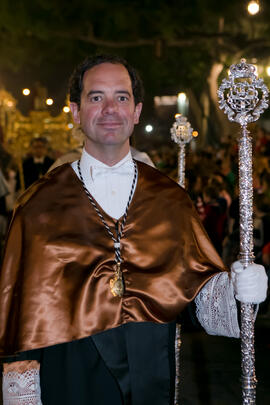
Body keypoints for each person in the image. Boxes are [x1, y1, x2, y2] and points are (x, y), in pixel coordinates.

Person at [0, 55, 268, 405]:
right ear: (76, 112)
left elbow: (200, 298)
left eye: (121, 97)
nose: (110, 108)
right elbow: (19, 321)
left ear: (137, 111)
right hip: (70, 380)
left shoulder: (170, 198)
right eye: (96, 97)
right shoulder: (36, 206)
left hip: (151, 377)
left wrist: (239, 290)